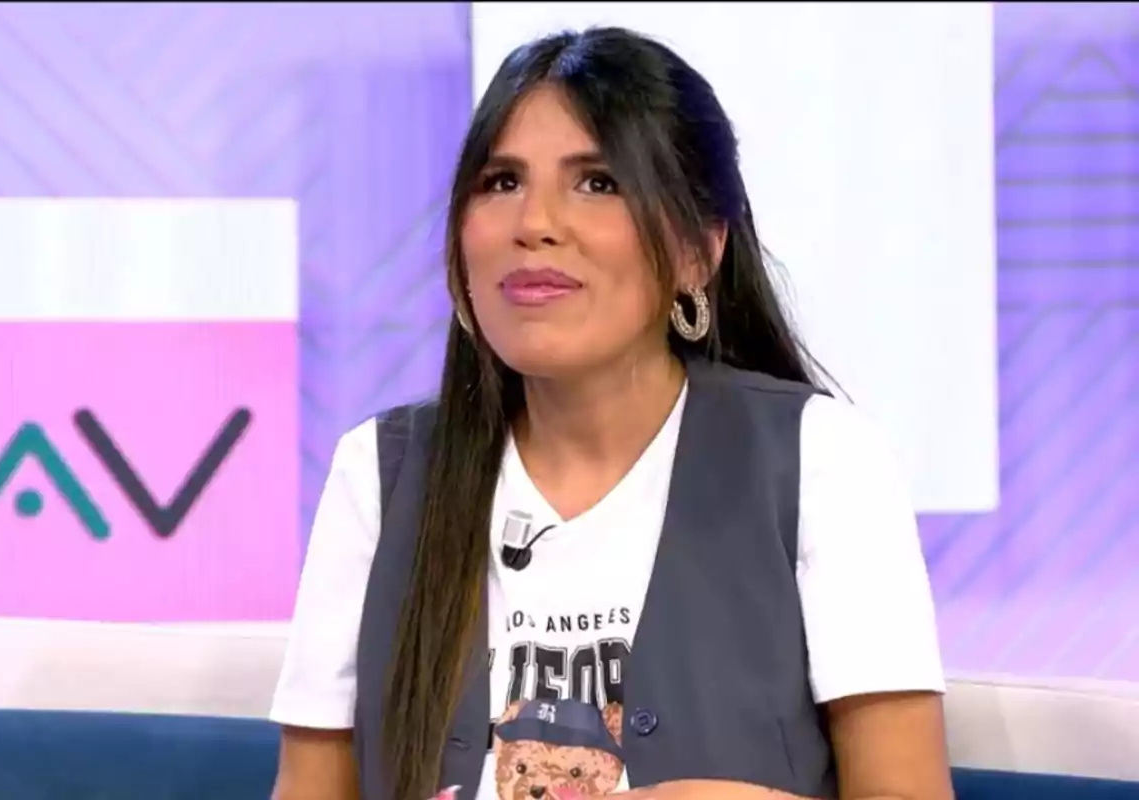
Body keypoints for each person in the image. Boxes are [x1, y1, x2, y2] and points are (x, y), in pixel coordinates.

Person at [269, 25, 952, 800]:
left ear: (698, 248)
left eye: (597, 182)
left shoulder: (822, 461)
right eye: (501, 182)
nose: (535, 223)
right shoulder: (383, 475)